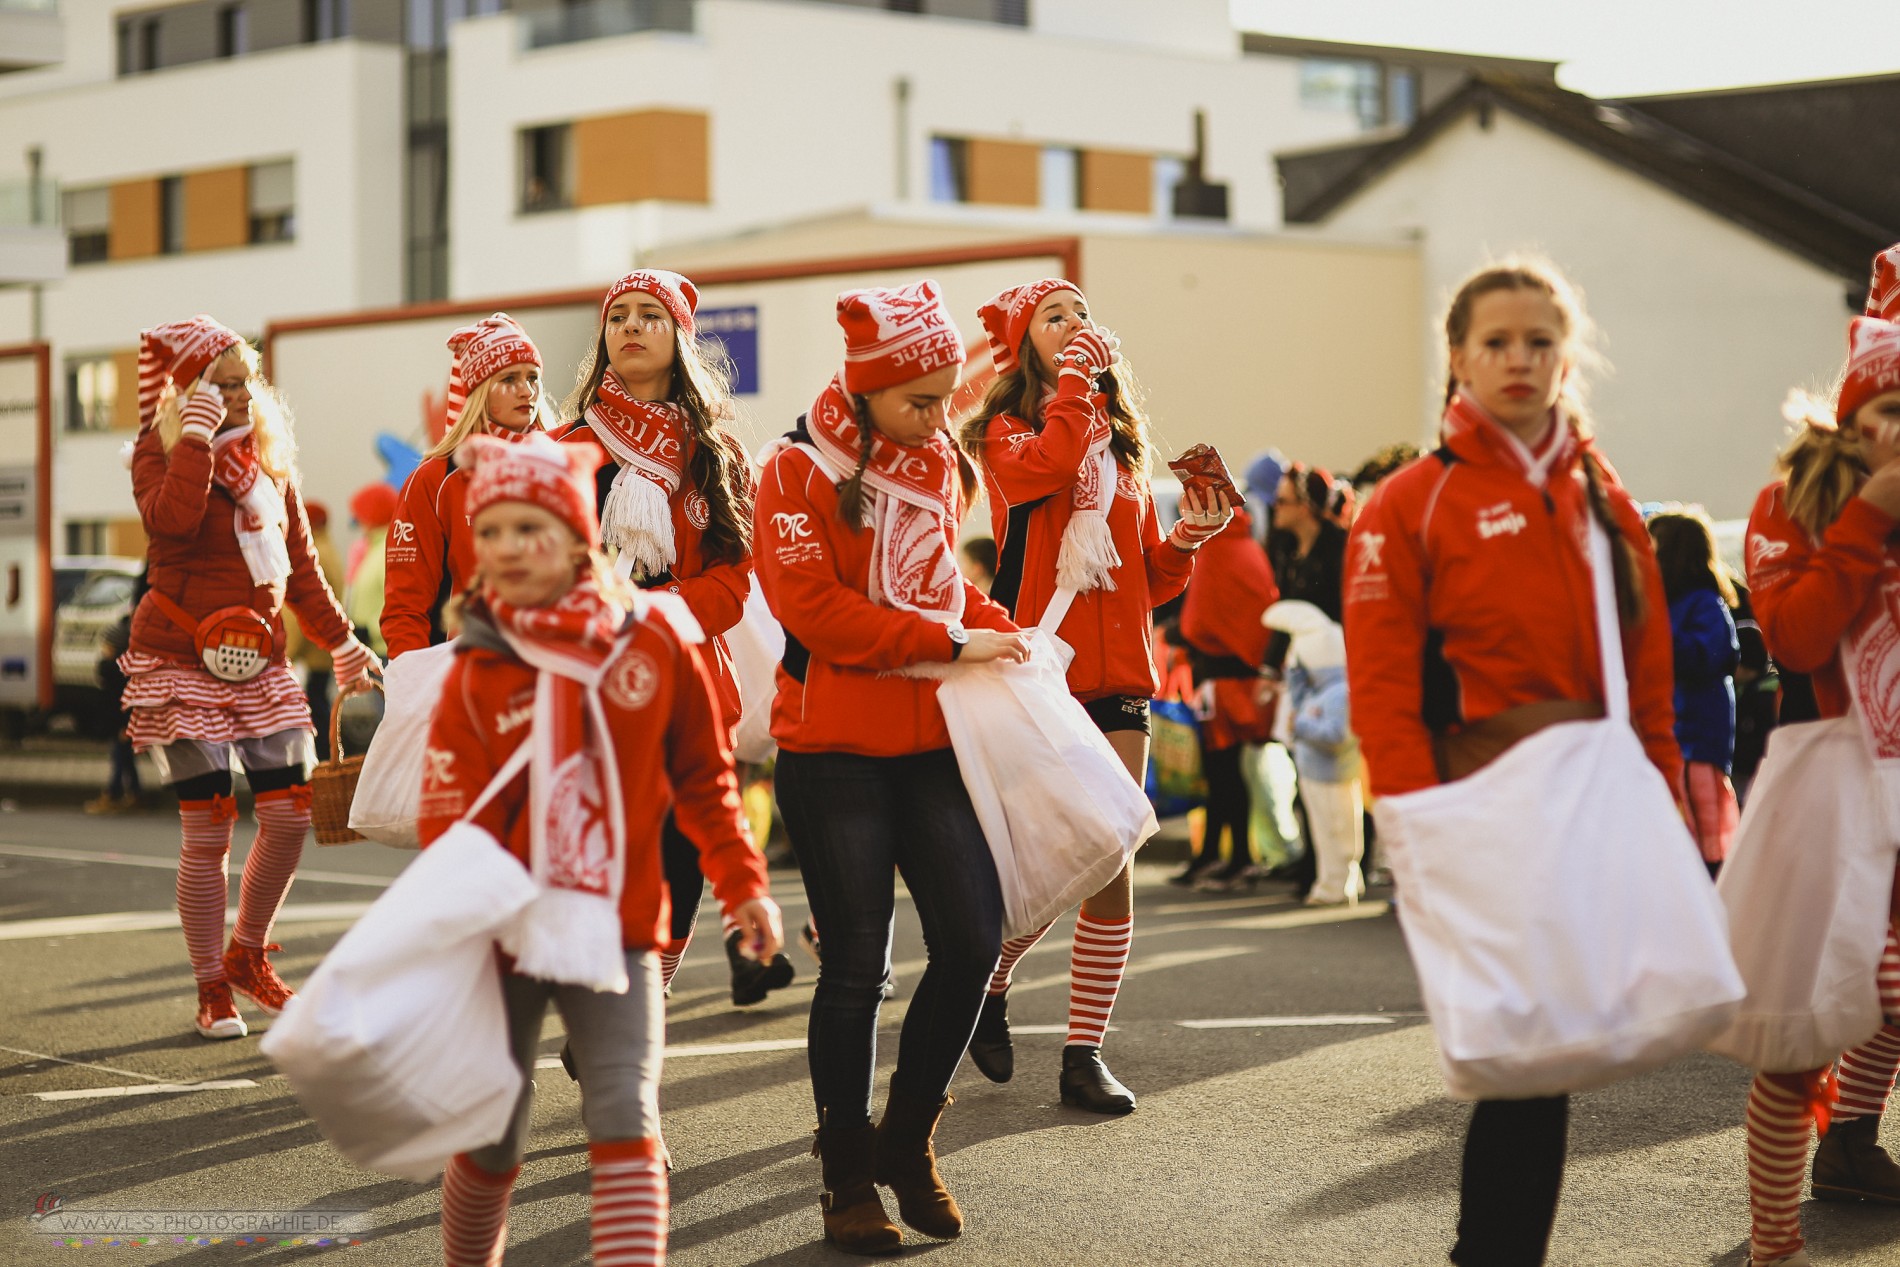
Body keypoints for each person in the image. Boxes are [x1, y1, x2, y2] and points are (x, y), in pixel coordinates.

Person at [1343, 260, 1680, 1266]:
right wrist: (1412, 822)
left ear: (1565, 355)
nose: (1519, 361)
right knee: (1523, 1055)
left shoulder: (1601, 494)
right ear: (1457, 358)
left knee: (1543, 1056)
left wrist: (1662, 798)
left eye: (1539, 342)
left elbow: (1646, 658)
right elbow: (1382, 687)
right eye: (1495, 342)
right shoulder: (1412, 501)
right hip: (1478, 799)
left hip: (1596, 801)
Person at [419, 431, 781, 1267]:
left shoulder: (655, 642)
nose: (505, 548)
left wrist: (744, 888)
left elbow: (705, 782)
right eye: (491, 531)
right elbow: (449, 821)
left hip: (619, 927)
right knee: (492, 1138)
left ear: (581, 535)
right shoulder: (476, 664)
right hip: (503, 936)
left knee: (625, 1116)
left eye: (527, 529)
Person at [753, 281, 1029, 1252]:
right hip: (830, 750)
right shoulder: (790, 469)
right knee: (857, 968)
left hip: (929, 742)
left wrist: (1008, 633)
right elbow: (813, 612)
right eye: (918, 400)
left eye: (946, 396)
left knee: (970, 937)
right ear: (863, 388)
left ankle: (906, 1140)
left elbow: (948, 589)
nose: (938, 416)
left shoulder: (939, 459)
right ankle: (842, 1176)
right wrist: (955, 642)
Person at [958, 277, 1230, 1114]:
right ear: (1023, 341)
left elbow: (1145, 574)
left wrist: (1189, 534)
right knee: (1064, 854)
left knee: (1111, 854)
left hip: (1120, 674)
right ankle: (991, 982)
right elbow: (1044, 470)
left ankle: (1084, 1054)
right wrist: (1077, 385)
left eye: (1082, 313)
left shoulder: (1117, 441)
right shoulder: (1003, 430)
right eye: (1055, 316)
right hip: (1045, 670)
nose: (1077, 324)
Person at [122, 317, 377, 1041]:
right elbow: (168, 523)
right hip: (177, 657)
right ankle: (210, 985)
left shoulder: (270, 461)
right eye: (221, 384)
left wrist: (344, 643)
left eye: (245, 383)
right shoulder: (158, 449)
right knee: (206, 829)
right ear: (189, 391)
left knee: (292, 815)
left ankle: (247, 952)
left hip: (259, 662)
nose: (237, 395)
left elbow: (301, 570)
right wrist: (196, 438)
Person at [554, 269, 794, 1007]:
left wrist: (653, 614)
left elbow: (732, 583)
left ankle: (638, 1015)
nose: (629, 326)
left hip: (688, 676)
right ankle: (603, 1010)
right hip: (586, 681)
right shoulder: (566, 447)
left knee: (685, 860)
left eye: (648, 316)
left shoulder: (715, 453)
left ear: (679, 337)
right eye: (617, 316)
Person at [1736, 270, 1900, 1267]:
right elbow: (1795, 639)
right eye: (1889, 409)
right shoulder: (1787, 501)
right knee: (1796, 1043)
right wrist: (1868, 516)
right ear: (1850, 420)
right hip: (1830, 796)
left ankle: (1848, 1140)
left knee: (1881, 996)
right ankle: (1774, 1244)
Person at [382, 313, 547, 661]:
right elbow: (405, 607)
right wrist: (411, 682)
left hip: (553, 668)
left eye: (533, 377)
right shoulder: (435, 479)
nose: (526, 391)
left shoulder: (558, 464)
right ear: (478, 393)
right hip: (468, 675)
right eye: (509, 378)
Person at [1166, 502, 1278, 889]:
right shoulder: (1246, 546)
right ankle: (1219, 855)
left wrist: (1179, 637)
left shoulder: (1217, 547)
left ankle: (1233, 858)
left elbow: (1200, 620)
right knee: (1226, 773)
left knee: (1223, 774)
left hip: (1224, 681)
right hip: (1238, 678)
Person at [1647, 507, 1742, 877]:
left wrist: (1653, 634)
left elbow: (1711, 656)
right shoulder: (1671, 606)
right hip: (1675, 739)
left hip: (1695, 740)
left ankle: (1712, 886)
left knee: (1703, 832)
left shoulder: (1703, 604)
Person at [1264, 600, 1364, 907]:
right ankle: (1337, 883)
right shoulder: (1322, 691)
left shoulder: (1337, 694)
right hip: (1318, 773)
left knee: (1338, 833)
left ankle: (1336, 887)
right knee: (1328, 833)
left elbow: (1337, 735)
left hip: (1333, 775)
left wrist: (1302, 724)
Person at [87, 569, 146, 815]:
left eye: (108, 647)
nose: (104, 651)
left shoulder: (117, 672)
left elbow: (121, 699)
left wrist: (126, 724)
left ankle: (117, 794)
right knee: (122, 758)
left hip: (123, 722)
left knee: (121, 757)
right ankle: (128, 793)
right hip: (122, 722)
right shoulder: (117, 669)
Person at [344, 481, 398, 657]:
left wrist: (369, 630)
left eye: (360, 514)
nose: (357, 520)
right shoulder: (373, 548)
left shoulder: (387, 550)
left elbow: (396, 602)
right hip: (372, 648)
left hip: (382, 651)